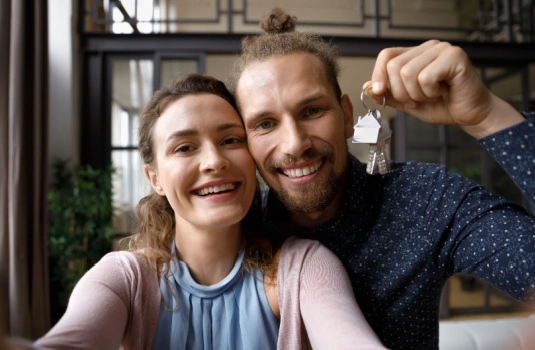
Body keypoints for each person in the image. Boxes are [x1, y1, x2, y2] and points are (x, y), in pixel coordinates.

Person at [228, 7, 535, 350]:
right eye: (265, 124)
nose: (295, 144)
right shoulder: (237, 228)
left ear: (346, 115)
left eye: (312, 111)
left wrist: (488, 116)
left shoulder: (426, 199)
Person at [34, 74, 387, 350]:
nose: (215, 162)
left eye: (231, 140)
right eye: (185, 147)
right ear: (153, 177)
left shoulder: (303, 268)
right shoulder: (125, 279)